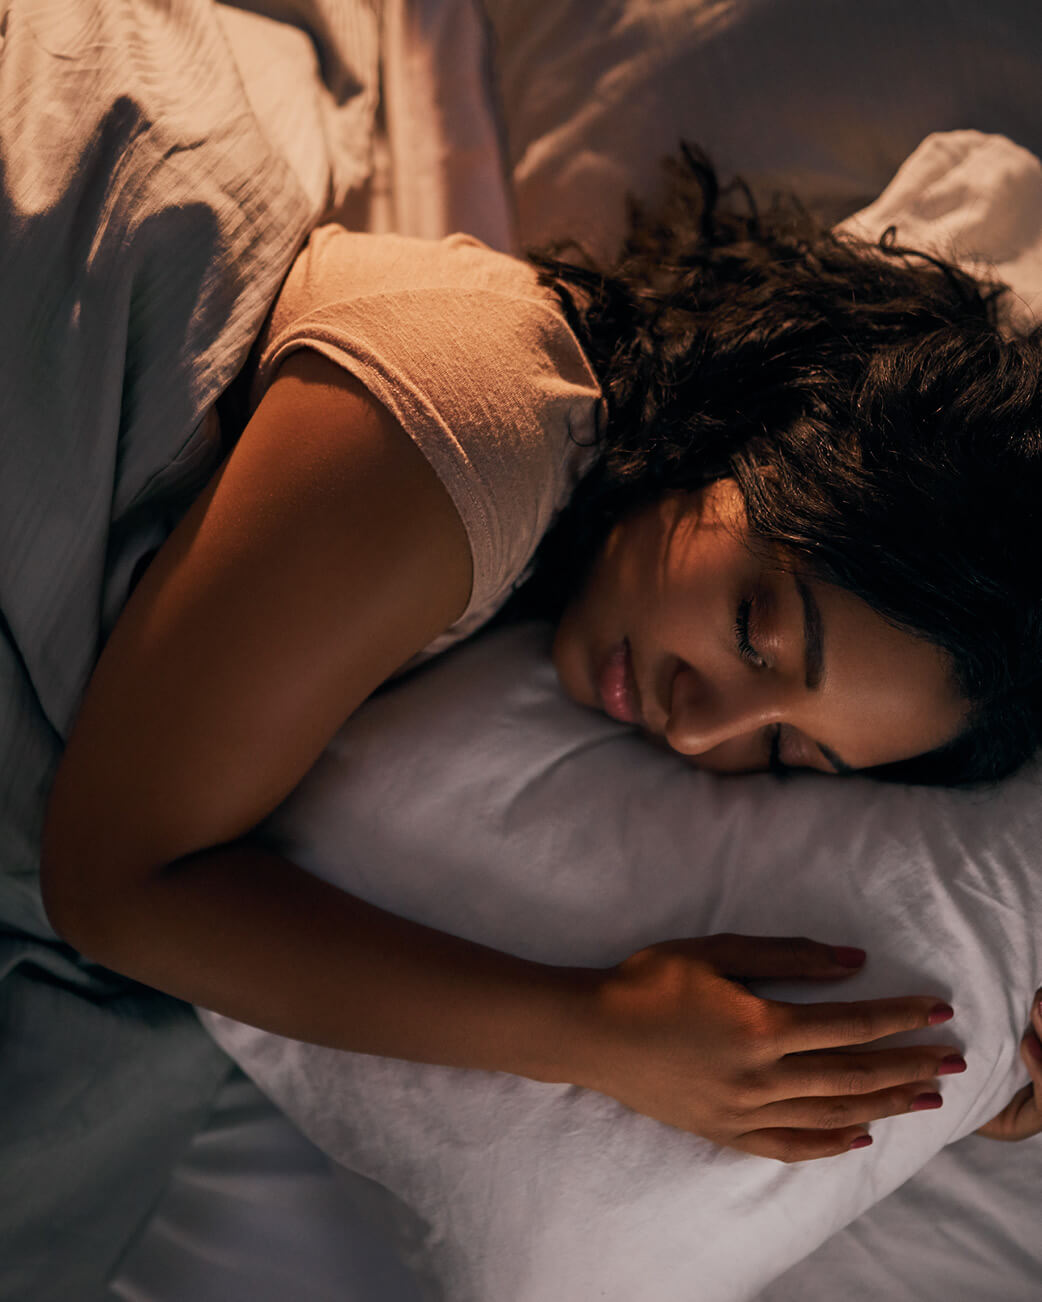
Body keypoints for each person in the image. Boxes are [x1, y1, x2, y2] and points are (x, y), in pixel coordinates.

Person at [39, 145, 1042, 1162]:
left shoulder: (552, 536)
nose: (697, 726)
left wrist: (981, 1047)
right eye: (755, 629)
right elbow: (108, 889)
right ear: (754, 422)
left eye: (785, 751)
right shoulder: (476, 429)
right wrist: (590, 1033)